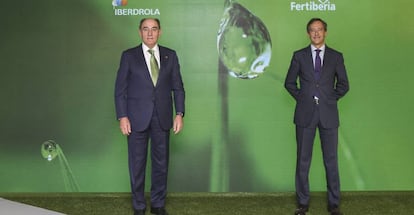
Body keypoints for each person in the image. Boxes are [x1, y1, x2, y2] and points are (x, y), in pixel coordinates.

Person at [114, 18, 185, 215]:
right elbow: (120, 90)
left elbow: (178, 88)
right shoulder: (129, 56)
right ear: (139, 32)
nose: (150, 33)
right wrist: (122, 116)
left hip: (162, 118)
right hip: (136, 118)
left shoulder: (171, 56)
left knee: (161, 163)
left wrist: (179, 113)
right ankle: (138, 205)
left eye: (154, 29)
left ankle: (158, 204)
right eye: (146, 29)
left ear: (160, 32)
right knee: (136, 164)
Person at [284, 18, 349, 215]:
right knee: (303, 160)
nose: (316, 33)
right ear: (307, 33)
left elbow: (344, 85)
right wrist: (303, 98)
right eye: (312, 30)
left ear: (325, 32)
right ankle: (302, 203)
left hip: (329, 115)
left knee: (331, 160)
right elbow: (289, 83)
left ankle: (334, 203)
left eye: (319, 30)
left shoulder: (336, 57)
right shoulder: (299, 56)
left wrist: (329, 99)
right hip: (305, 115)